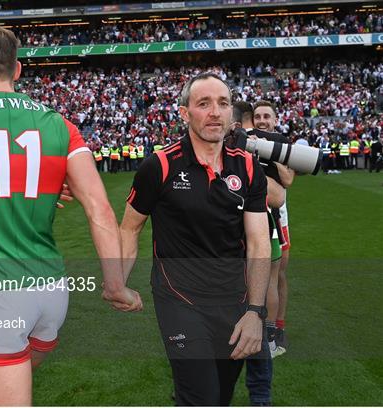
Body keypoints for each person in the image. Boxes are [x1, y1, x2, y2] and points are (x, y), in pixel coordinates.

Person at [0, 25, 141, 406]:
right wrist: (114, 284)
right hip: (51, 293)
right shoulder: (59, 123)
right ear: (18, 69)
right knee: (13, 376)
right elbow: (100, 209)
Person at [120, 73, 271, 406]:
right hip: (179, 300)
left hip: (234, 302)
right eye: (204, 104)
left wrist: (256, 313)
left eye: (222, 103)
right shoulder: (159, 166)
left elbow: (260, 244)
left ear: (232, 113)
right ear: (185, 113)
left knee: (220, 396)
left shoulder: (247, 168)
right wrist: (117, 280)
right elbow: (130, 227)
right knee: (201, 397)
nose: (215, 112)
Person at [233, 101, 284, 406]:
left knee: (254, 315)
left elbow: (279, 194)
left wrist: (248, 161)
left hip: (253, 245)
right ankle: (195, 385)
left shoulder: (253, 153)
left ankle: (260, 395)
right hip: (215, 254)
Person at [253, 101, 295, 354]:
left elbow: (288, 179)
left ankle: (278, 328)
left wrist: (272, 153)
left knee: (278, 274)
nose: (262, 121)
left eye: (267, 116)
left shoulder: (282, 143)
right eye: (258, 116)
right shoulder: (250, 140)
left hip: (279, 217)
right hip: (258, 213)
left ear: (275, 119)